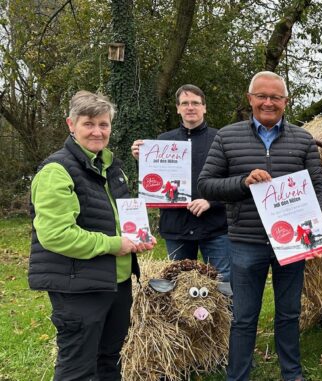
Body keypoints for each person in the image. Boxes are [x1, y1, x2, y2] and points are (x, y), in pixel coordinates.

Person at [198, 71, 322, 381]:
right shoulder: (227, 137)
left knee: (288, 313)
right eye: (262, 96)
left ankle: (292, 373)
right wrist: (243, 183)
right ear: (250, 99)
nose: (268, 102)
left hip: (293, 243)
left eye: (275, 97)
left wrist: (315, 235)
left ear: (285, 102)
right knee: (243, 317)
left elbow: (319, 188)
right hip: (246, 241)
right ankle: (238, 375)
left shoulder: (303, 139)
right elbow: (206, 185)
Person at [28, 91, 155, 379]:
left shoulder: (112, 166)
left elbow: (113, 216)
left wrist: (138, 237)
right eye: (89, 124)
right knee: (78, 369)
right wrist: (115, 244)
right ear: (70, 125)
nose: (97, 132)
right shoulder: (56, 171)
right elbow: (56, 234)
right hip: (78, 287)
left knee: (110, 360)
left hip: (117, 283)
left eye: (104, 124)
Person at [131, 85, 231, 281]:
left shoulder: (221, 139)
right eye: (185, 103)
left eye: (195, 103)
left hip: (214, 225)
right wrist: (141, 161)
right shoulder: (163, 141)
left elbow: (233, 181)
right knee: (178, 283)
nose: (190, 107)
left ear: (204, 107)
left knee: (223, 280)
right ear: (178, 108)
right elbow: (153, 184)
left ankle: (227, 314)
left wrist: (211, 201)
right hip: (177, 226)